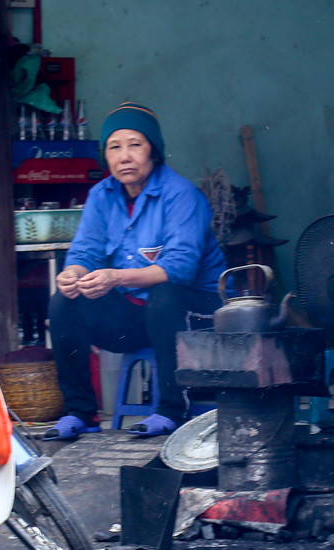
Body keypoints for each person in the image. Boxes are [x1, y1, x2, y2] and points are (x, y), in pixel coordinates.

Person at [44, 102, 226, 441]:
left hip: (197, 316)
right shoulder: (101, 195)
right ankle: (80, 413)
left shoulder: (181, 195)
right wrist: (73, 273)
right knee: (64, 303)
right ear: (106, 156)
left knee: (165, 293)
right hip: (141, 319)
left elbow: (179, 268)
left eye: (135, 144)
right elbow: (86, 250)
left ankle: (172, 410)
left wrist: (115, 277)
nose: (124, 156)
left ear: (153, 153)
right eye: (115, 147)